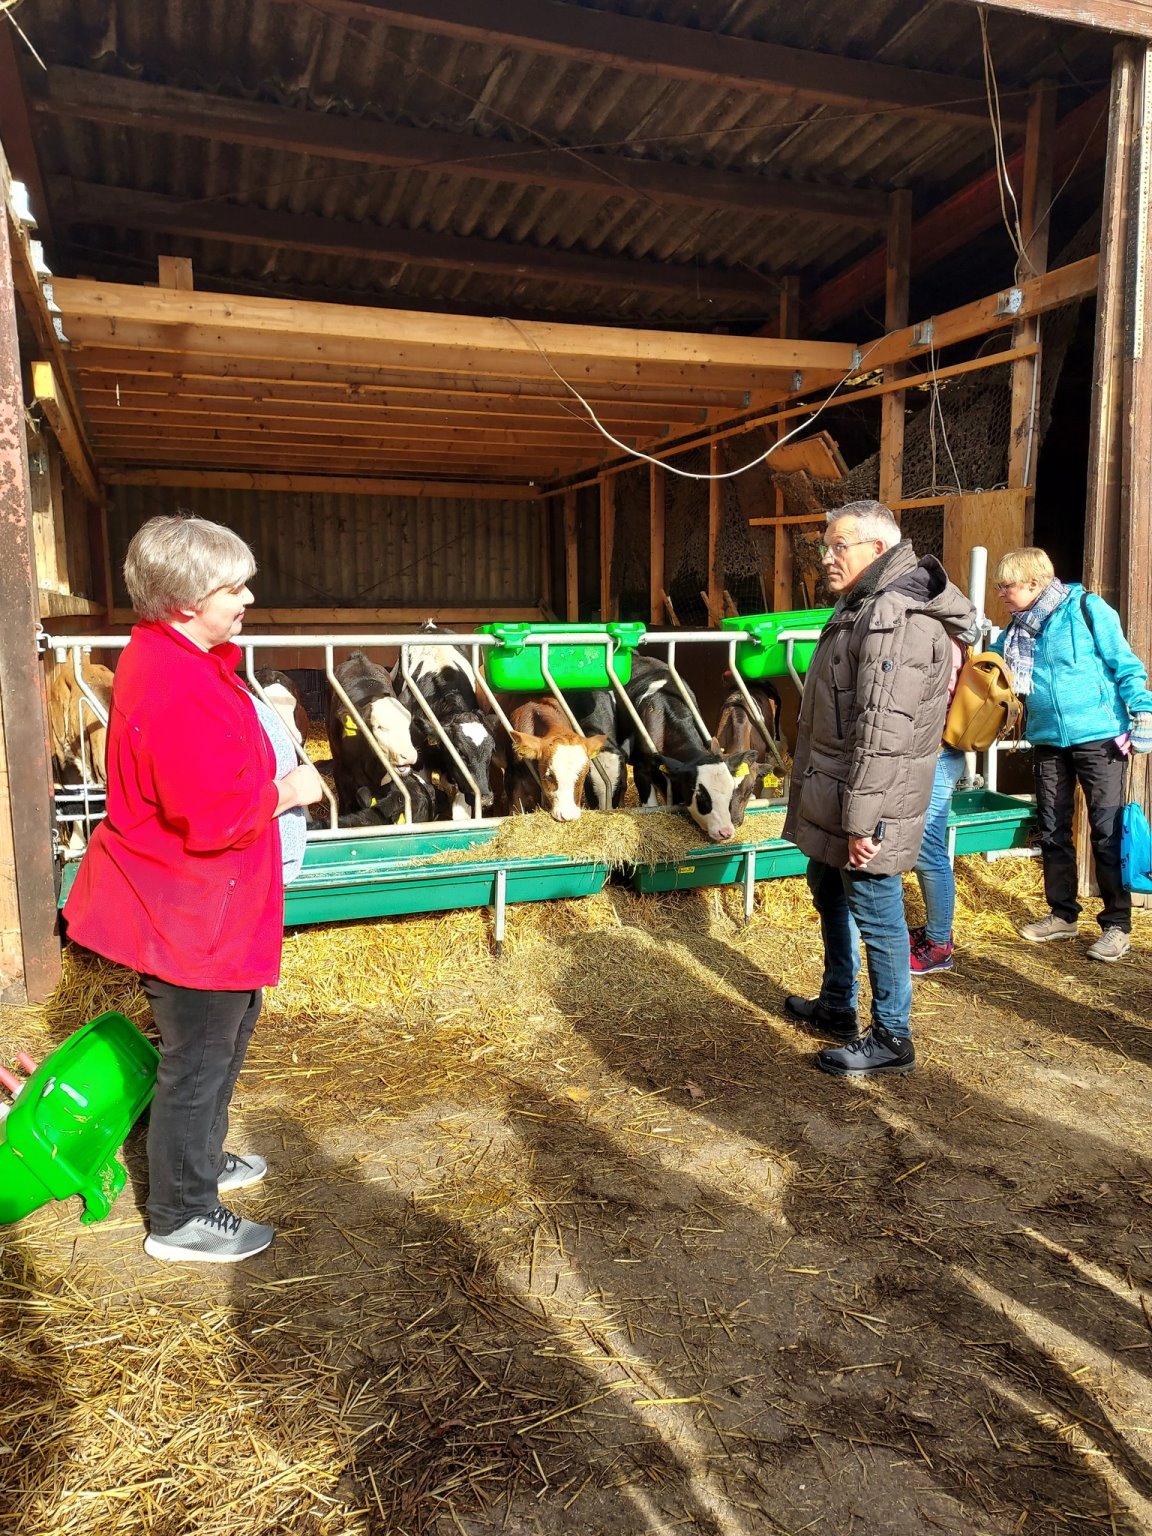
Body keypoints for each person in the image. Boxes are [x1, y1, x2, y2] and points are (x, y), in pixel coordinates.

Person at [63, 515, 326, 1262]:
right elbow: (211, 817)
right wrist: (287, 787)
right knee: (199, 1059)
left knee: (225, 1039)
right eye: (231, 586)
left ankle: (199, 1166)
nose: (248, 596)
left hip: (213, 901)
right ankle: (180, 1216)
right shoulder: (177, 683)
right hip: (191, 907)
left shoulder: (182, 658)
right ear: (183, 601)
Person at [781, 500, 976, 1077]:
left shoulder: (895, 615)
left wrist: (861, 820)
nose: (826, 557)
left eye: (837, 545)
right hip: (837, 789)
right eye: (825, 545)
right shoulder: (861, 604)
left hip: (868, 797)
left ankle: (892, 1034)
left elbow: (883, 730)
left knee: (877, 909)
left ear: (877, 548)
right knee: (829, 890)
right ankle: (838, 1003)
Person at [991, 547, 1152, 962]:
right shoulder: (1013, 634)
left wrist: (1143, 710)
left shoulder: (1086, 608)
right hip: (1047, 739)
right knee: (1052, 829)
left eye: (1007, 586)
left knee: (1106, 830)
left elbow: (1125, 663)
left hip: (1099, 736)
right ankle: (1063, 914)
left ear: (1033, 583)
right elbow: (994, 674)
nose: (1001, 594)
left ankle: (1117, 924)